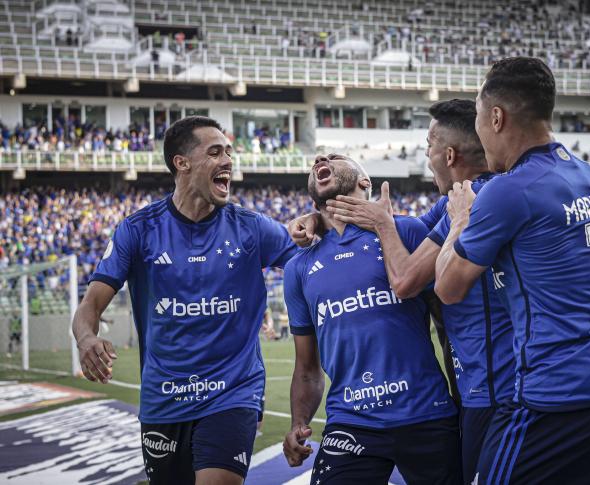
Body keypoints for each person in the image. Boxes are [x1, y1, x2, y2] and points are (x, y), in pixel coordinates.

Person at [434, 57, 590, 484]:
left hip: (559, 399)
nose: (480, 135)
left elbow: (447, 287)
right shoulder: (586, 174)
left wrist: (460, 219)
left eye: (480, 120)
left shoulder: (509, 190)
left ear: (496, 117)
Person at [72, 116, 298, 485]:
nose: (228, 160)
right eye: (215, 152)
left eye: (229, 152)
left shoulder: (252, 227)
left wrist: (318, 224)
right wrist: (85, 339)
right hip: (164, 399)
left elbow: (309, 260)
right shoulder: (139, 229)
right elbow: (90, 305)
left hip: (232, 392)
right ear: (182, 162)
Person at [323, 99, 515, 482]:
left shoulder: (477, 198)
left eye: (428, 146)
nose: (425, 156)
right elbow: (409, 227)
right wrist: (319, 217)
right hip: (480, 386)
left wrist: (384, 226)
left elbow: (405, 281)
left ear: (449, 154)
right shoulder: (454, 204)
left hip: (499, 391)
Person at [282, 153, 461, 484]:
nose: (322, 158)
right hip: (351, 421)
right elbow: (307, 368)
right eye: (318, 161)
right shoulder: (298, 268)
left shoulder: (406, 231)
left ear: (365, 182)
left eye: (336, 157)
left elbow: (447, 321)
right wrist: (298, 422)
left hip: (426, 413)